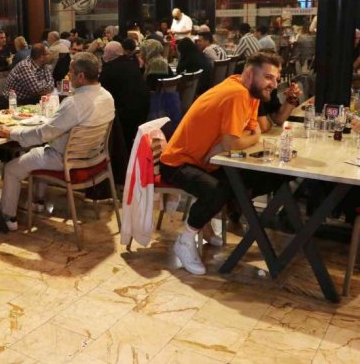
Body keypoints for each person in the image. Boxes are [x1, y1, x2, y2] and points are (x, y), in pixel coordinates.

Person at [160, 52, 287, 275]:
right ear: (250, 74)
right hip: (177, 162)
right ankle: (185, 240)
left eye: (276, 79)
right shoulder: (237, 93)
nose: (274, 85)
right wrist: (239, 140)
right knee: (217, 191)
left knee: (248, 179)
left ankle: (203, 224)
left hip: (202, 161)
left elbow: (249, 131)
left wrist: (230, 142)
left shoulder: (251, 92)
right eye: (268, 77)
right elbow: (238, 140)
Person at [0, 52, 115, 229]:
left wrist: (11, 132)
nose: (68, 76)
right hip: (95, 158)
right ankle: (37, 201)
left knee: (12, 168)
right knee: (39, 151)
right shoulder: (107, 97)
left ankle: (7, 218)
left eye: (71, 72)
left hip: (66, 160)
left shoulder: (75, 103)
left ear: (81, 76)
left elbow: (43, 134)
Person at [101, 41, 149, 147]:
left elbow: (102, 93)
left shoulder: (110, 68)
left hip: (124, 115)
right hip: (143, 109)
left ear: (109, 53)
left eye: (105, 52)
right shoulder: (132, 63)